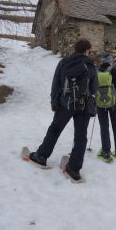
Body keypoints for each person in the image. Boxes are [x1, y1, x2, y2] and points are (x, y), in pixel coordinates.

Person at [29, 39, 98, 181]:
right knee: (80, 137)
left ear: (76, 49)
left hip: (65, 103)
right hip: (83, 105)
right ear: (87, 50)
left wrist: (54, 103)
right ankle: (73, 169)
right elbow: (94, 89)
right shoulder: (90, 65)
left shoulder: (64, 63)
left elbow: (56, 84)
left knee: (55, 129)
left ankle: (41, 156)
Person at [96, 54, 116, 163]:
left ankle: (106, 152)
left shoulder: (98, 71)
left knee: (104, 126)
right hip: (114, 102)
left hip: (100, 103)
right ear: (110, 61)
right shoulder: (113, 70)